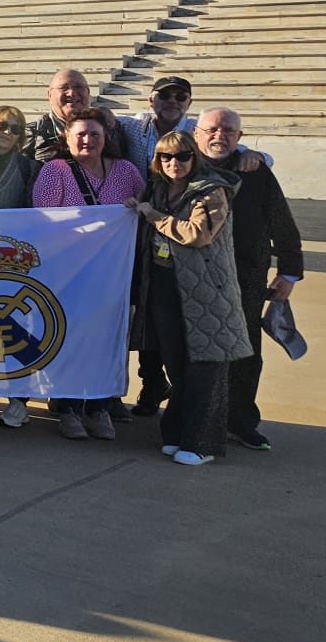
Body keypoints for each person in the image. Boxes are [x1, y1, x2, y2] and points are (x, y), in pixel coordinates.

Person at [129, 130, 249, 466]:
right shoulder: (156, 188)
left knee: (204, 369)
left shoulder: (212, 191)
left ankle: (202, 443)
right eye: (166, 157)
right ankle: (176, 434)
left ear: (194, 157)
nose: (174, 163)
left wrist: (153, 216)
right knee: (177, 366)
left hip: (206, 292)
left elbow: (198, 234)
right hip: (164, 286)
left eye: (182, 156)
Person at [30, 109, 146, 439]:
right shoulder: (55, 171)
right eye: (80, 134)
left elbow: (145, 204)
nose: (87, 140)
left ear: (106, 138)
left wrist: (137, 208)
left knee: (106, 340)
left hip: (113, 273)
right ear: (66, 138)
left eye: (94, 134)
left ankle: (100, 407)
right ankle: (68, 408)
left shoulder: (125, 170)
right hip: (70, 273)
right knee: (72, 339)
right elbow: (43, 219)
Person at [190, 108, 303, 447]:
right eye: (212, 129)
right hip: (194, 276)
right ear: (196, 133)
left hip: (247, 273)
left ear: (239, 137)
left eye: (228, 131)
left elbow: (281, 220)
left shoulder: (256, 171)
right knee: (192, 350)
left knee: (246, 350)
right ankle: (193, 417)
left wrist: (289, 272)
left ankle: (240, 420)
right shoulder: (181, 166)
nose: (219, 136)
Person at [124, 76, 197, 177]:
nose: (172, 101)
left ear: (189, 103)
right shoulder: (133, 126)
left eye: (181, 97)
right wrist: (106, 113)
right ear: (151, 100)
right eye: (164, 96)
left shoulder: (198, 131)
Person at [27, 69, 93, 164]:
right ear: (49, 95)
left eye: (78, 87)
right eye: (63, 88)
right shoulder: (32, 133)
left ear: (88, 93)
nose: (72, 93)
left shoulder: (107, 130)